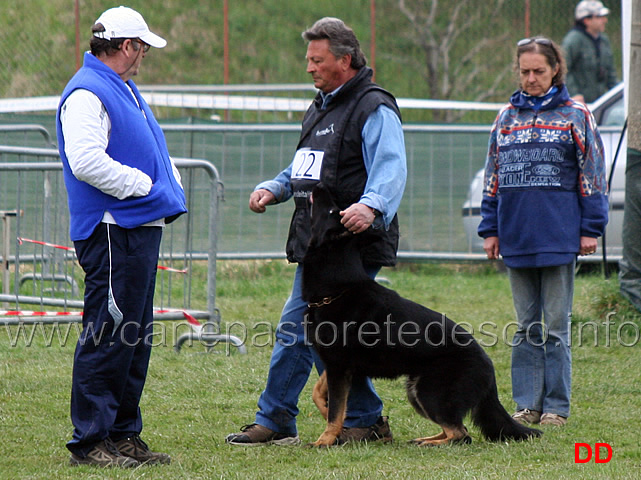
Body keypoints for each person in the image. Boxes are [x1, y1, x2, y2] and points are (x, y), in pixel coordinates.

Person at [225, 17, 407, 446]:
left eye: (317, 60)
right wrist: (276, 186)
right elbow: (306, 166)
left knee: (307, 327)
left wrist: (371, 204)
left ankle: (287, 419)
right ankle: (344, 418)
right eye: (309, 59)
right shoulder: (322, 104)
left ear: (344, 60)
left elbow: (391, 167)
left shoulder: (373, 106)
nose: (309, 68)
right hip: (318, 243)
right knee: (315, 331)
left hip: (354, 243)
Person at [56, 6, 187, 467]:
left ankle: (122, 434)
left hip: (135, 228)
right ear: (128, 46)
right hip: (113, 229)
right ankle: (91, 442)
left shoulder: (122, 89)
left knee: (134, 335)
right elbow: (86, 160)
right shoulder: (89, 92)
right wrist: (145, 186)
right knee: (109, 333)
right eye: (143, 48)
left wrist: (166, 182)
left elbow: (146, 146)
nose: (144, 56)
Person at [478, 37, 608, 427]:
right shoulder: (505, 119)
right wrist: (491, 229)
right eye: (524, 71)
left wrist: (590, 229)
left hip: (560, 237)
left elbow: (592, 175)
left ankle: (556, 406)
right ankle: (526, 404)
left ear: (555, 70)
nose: (531, 78)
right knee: (525, 327)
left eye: (538, 71)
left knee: (555, 327)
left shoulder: (576, 115)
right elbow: (492, 178)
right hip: (516, 238)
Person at [562, 0, 618, 103]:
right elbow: (563, 69)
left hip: (599, 103)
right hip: (580, 104)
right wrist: (574, 94)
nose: (605, 20)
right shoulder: (573, 40)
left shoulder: (603, 41)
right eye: (600, 17)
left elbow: (610, 74)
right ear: (586, 20)